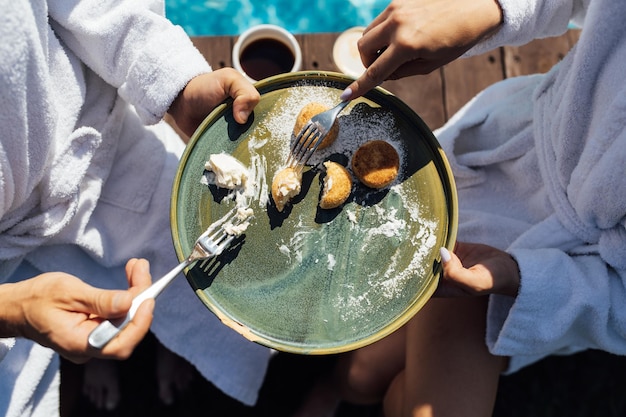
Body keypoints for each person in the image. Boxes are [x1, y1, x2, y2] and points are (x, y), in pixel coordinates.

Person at [297, 0, 626, 416]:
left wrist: (519, 276)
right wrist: (490, 9)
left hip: (557, 271)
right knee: (362, 373)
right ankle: (335, 392)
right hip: (516, 150)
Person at [0, 0, 273, 416]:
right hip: (8, 270)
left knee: (225, 292)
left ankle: (169, 345)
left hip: (92, 153)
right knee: (62, 363)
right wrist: (13, 311)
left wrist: (179, 86)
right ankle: (100, 361)